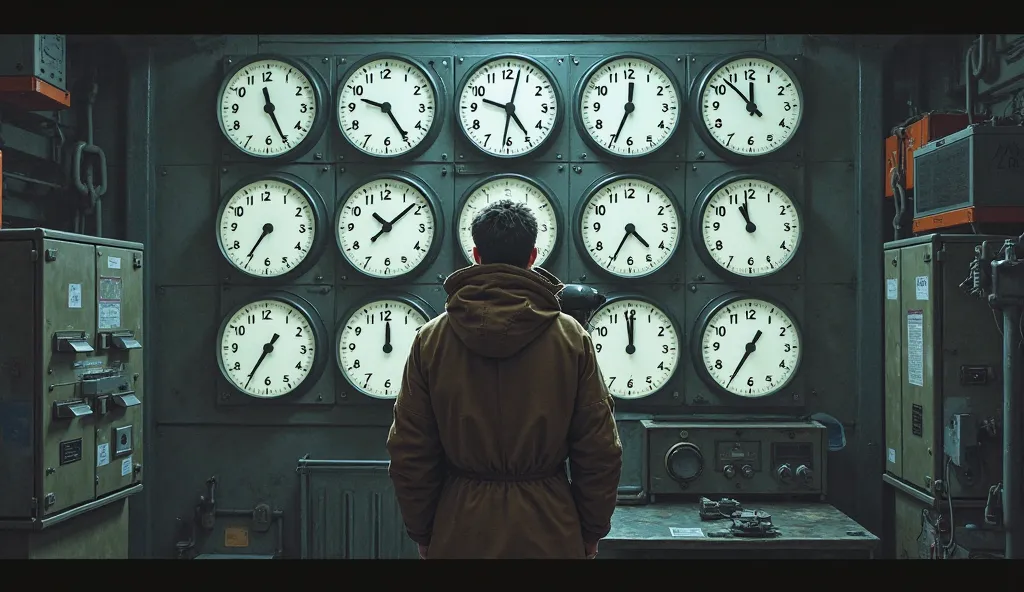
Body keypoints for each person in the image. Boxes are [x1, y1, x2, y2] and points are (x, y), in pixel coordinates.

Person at [386, 199, 622, 559]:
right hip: (552, 530)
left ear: (477, 255)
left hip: (459, 529)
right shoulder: (571, 338)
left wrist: (422, 530)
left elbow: (410, 450)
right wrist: (591, 531)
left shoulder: (431, 340)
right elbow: (600, 450)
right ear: (533, 256)